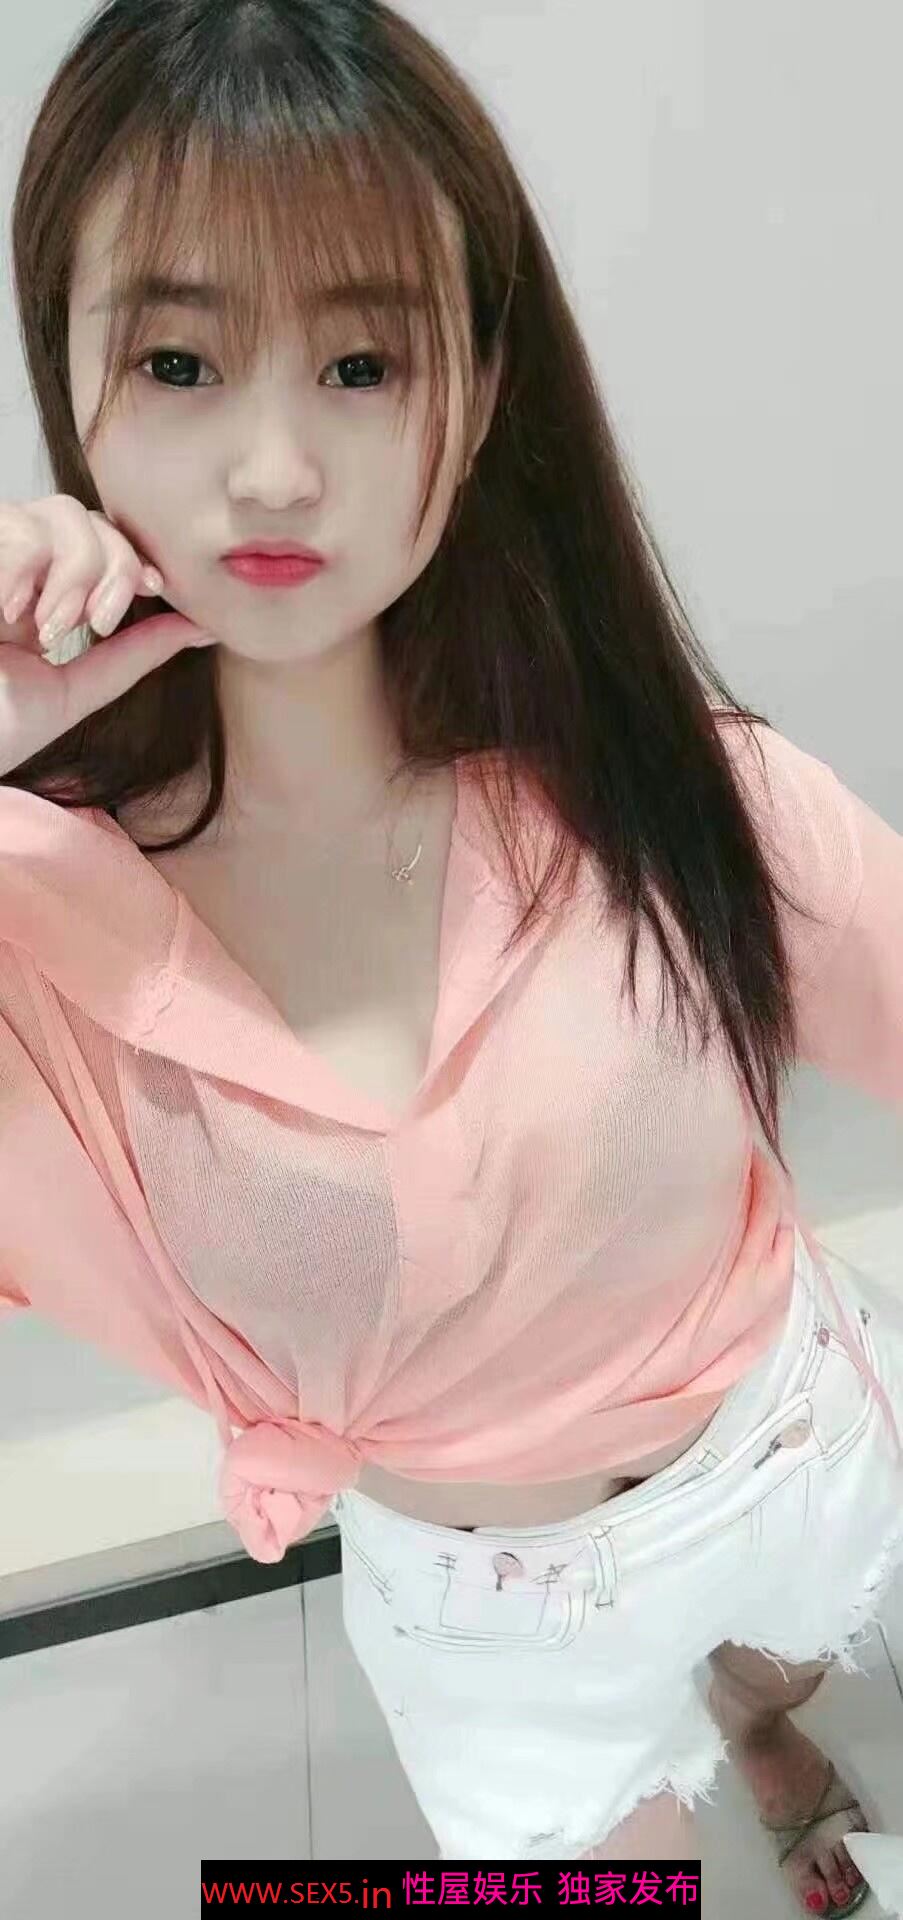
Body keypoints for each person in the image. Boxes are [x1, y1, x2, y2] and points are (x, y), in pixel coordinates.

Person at [0, 0, 900, 1909]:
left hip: (782, 1451)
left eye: (358, 361)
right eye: (178, 358)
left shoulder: (682, 791)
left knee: (795, 1671)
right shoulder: (35, 925)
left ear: (481, 390)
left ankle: (763, 1727)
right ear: (68, 378)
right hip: (490, 1623)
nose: (271, 468)